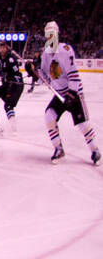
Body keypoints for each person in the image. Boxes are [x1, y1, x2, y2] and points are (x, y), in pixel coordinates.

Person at [26, 20, 100, 165]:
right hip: (59, 95)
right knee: (49, 116)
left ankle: (95, 150)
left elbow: (74, 75)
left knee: (82, 124)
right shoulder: (46, 54)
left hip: (73, 94)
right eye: (47, 35)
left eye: (52, 34)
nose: (49, 37)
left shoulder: (66, 50)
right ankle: (58, 149)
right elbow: (45, 77)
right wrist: (34, 72)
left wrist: (72, 95)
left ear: (57, 35)